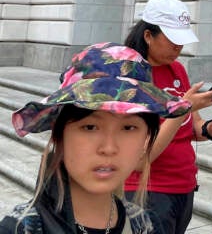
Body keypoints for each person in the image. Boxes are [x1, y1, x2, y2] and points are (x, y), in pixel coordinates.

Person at [0, 42, 192, 234]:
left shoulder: (144, 225)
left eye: (128, 127)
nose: (109, 148)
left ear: (146, 138)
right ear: (60, 135)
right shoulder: (23, 228)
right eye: (90, 127)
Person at [122, 0, 212, 234]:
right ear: (148, 36)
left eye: (182, 41)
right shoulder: (130, 77)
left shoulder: (177, 70)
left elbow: (191, 127)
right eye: (172, 41)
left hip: (183, 186)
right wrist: (184, 107)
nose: (178, 48)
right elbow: (140, 158)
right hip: (147, 190)